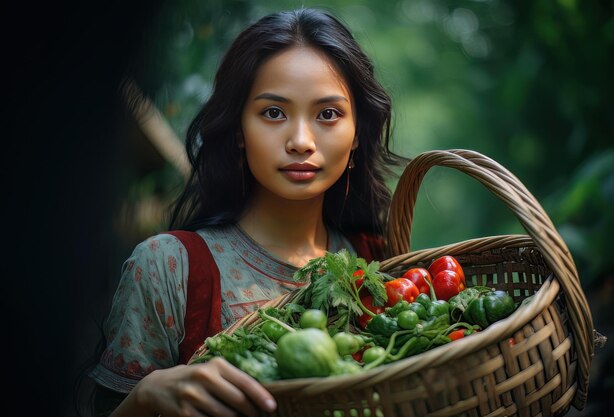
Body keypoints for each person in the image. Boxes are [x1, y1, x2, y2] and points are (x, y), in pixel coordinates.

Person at [87, 7, 404, 417]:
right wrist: (145, 399)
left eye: (328, 114)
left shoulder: (379, 263)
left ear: (358, 134)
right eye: (274, 112)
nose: (301, 141)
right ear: (237, 130)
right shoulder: (168, 268)